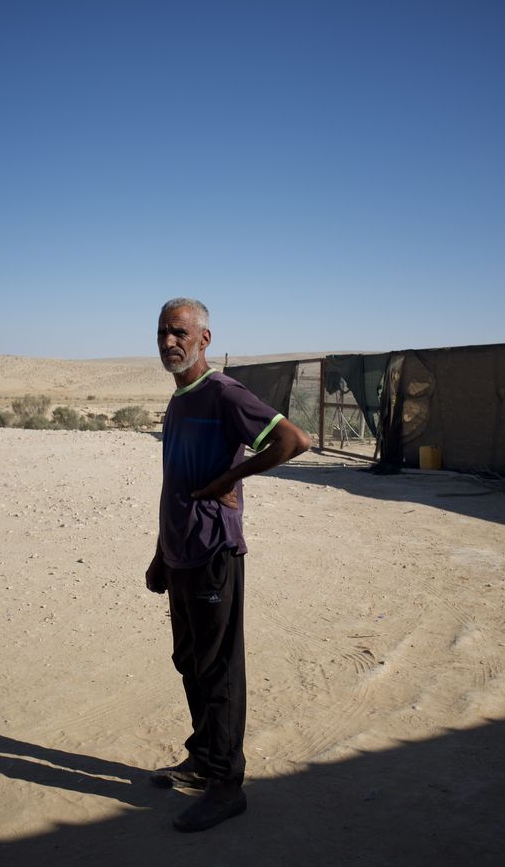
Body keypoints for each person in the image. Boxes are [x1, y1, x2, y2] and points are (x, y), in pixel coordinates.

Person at [146, 298, 310, 832]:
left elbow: (293, 440)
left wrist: (226, 481)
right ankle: (203, 759)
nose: (170, 342)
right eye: (162, 334)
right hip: (180, 554)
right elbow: (175, 482)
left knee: (219, 670)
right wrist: (159, 553)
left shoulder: (222, 392)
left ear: (203, 339)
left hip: (214, 554)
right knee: (190, 661)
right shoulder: (178, 400)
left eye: (179, 332)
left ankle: (227, 786)